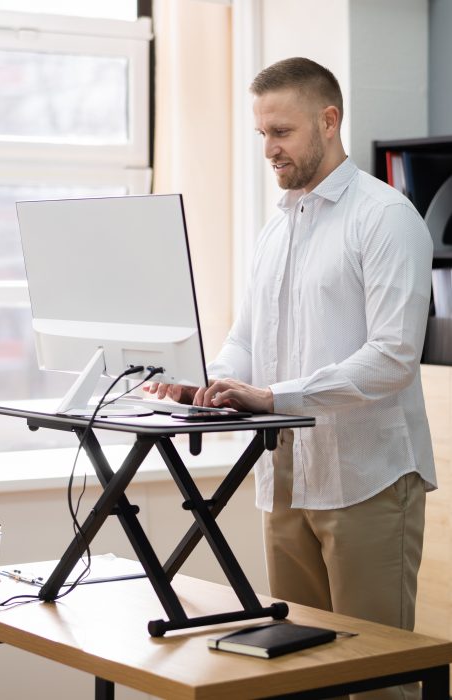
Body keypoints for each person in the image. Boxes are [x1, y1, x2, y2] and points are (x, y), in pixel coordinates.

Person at [147, 57, 436, 700]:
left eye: (282, 132)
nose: (270, 149)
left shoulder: (385, 217)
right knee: (297, 677)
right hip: (282, 480)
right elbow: (248, 340)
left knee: (376, 682)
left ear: (328, 121)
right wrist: (211, 383)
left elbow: (393, 355)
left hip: (366, 481)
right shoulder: (276, 230)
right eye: (262, 135)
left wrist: (276, 398)